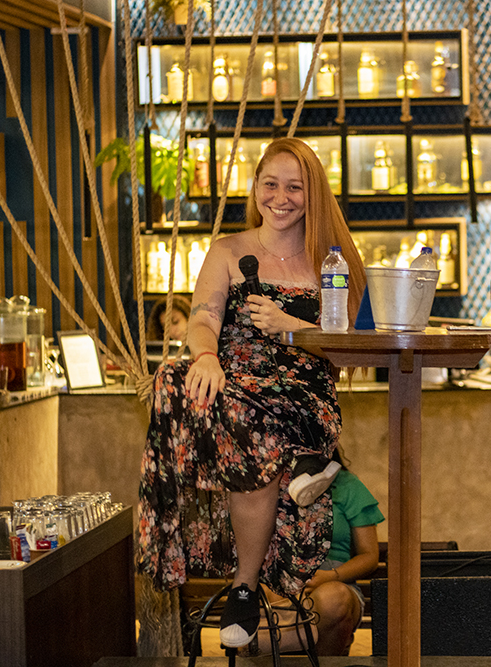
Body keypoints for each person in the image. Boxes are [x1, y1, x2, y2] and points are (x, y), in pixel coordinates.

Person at [137, 136, 367, 650]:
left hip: (302, 397)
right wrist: (206, 355)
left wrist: (291, 327)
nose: (280, 198)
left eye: (295, 187)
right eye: (270, 184)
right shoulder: (227, 250)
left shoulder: (332, 260)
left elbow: (351, 348)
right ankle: (301, 466)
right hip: (234, 389)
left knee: (250, 423)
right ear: (255, 186)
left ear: (313, 193)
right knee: (173, 379)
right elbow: (203, 318)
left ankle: (244, 585)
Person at [257, 450, 384, 656]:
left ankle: (281, 642)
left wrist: (329, 576)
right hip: (282, 578)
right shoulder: (270, 483)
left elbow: (369, 556)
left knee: (333, 599)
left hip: (335, 579)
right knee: (265, 595)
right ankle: (293, 643)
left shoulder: (347, 485)